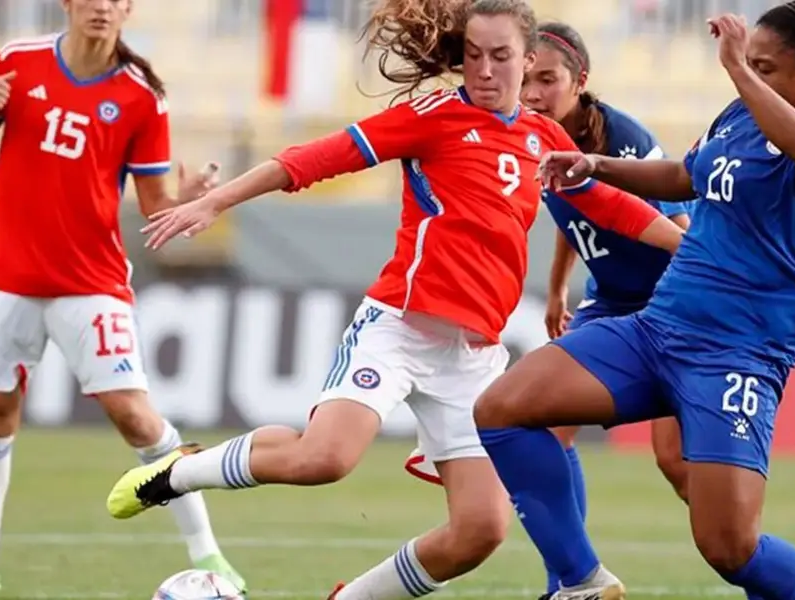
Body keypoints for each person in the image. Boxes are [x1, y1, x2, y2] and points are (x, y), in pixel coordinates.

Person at [103, 2, 685, 600]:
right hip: (401, 327)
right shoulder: (432, 116)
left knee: (480, 530)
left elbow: (609, 204)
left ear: (528, 58)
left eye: (501, 57)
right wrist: (216, 202)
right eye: (473, 56)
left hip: (473, 357)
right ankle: (180, 472)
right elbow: (314, 159)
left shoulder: (545, 137)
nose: (484, 70)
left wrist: (686, 243)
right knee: (324, 459)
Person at [473, 1, 795, 600]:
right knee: (501, 408)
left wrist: (737, 68)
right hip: (657, 328)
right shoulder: (738, 116)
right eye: (749, 64)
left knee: (730, 548)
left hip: (737, 354)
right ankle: (579, 582)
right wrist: (594, 166)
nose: (751, 75)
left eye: (767, 67)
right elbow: (686, 176)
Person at [0, 1, 247, 598]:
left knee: (134, 414)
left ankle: (211, 556)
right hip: (8, 275)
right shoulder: (17, 63)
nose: (101, 6)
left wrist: (184, 199)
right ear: (69, 3)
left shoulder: (141, 94)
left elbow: (153, 207)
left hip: (89, 282)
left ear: (127, 9)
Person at [400, 20, 694, 600]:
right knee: (538, 426)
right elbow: (576, 211)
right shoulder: (537, 138)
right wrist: (560, 288)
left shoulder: (624, 142)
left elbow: (675, 228)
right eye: (527, 79)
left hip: (669, 306)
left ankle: (739, 546)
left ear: (580, 82)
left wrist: (677, 316)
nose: (532, 92)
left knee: (677, 464)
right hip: (607, 303)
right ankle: (570, 580)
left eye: (547, 80)